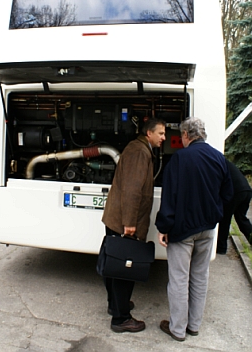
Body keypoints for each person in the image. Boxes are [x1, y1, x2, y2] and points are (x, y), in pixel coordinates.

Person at [155, 117, 233, 342]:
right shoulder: (219, 158)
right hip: (208, 229)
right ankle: (194, 326)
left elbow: (170, 197)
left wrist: (164, 227)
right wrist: (215, 214)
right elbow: (228, 195)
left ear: (186, 136)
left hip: (182, 230)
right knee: (200, 277)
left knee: (179, 278)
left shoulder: (179, 158)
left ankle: (178, 329)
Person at [102, 117, 166, 333]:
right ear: (149, 133)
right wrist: (129, 223)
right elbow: (132, 189)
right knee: (124, 269)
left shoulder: (137, 147)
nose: (164, 138)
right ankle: (121, 319)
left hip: (115, 218)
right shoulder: (140, 152)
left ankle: (115, 305)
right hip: (125, 223)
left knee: (114, 263)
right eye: (161, 133)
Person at [217, 159, 252, 254]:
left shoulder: (216, 162)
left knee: (224, 219)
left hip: (235, 191)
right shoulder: (223, 161)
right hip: (246, 190)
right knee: (241, 218)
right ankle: (251, 237)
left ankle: (221, 248)